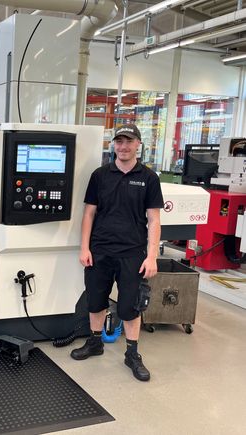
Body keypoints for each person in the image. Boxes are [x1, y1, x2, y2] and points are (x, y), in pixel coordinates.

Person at [70, 124, 164, 382]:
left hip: (132, 254)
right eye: (119, 141)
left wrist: (152, 256)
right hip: (100, 251)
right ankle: (95, 342)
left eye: (129, 141)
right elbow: (89, 214)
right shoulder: (100, 175)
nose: (123, 147)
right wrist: (84, 247)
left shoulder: (149, 178)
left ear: (138, 145)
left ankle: (132, 354)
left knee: (130, 306)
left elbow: (154, 220)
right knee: (95, 300)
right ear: (113, 144)